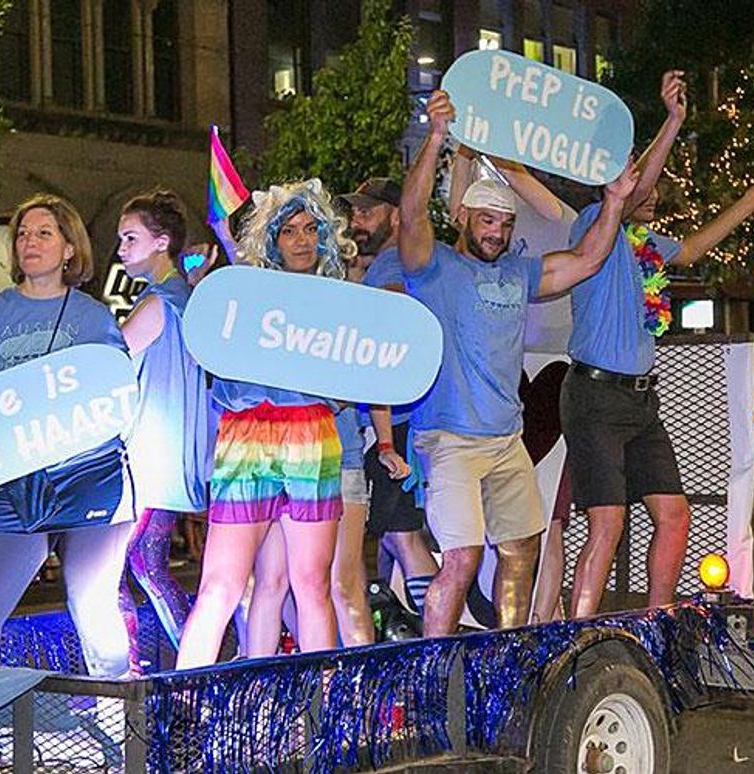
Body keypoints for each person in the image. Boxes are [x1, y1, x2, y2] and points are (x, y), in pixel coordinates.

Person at [398, 90, 639, 636]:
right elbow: (411, 216)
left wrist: (617, 200)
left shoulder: (517, 273)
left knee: (522, 548)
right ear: (464, 218)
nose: (496, 233)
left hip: (506, 441)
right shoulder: (434, 269)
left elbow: (586, 259)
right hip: (451, 441)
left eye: (504, 225)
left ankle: (509, 653)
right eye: (486, 221)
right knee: (459, 560)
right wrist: (437, 140)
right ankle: (437, 669)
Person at [565, 172, 754, 617]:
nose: (655, 196)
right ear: (617, 189)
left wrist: (745, 200)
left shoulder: (645, 245)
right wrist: (674, 120)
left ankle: (656, 624)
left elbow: (691, 249)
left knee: (676, 517)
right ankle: (577, 637)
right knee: (608, 524)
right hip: (595, 394)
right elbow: (624, 197)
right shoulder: (594, 226)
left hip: (641, 400)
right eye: (646, 187)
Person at [0, 193, 136, 678]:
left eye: (44, 233)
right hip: (12, 486)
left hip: (88, 480)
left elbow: (118, 399)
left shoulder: (95, 319)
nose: (30, 242)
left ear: (70, 248)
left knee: (94, 604)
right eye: (23, 234)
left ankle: (118, 721)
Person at [176, 179, 352, 667]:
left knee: (309, 585)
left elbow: (354, 383)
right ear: (271, 240)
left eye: (310, 229)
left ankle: (322, 711)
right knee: (221, 585)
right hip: (247, 437)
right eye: (288, 230)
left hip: (310, 435)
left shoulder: (342, 304)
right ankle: (179, 715)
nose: (300, 240)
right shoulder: (243, 296)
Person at [113, 190, 208, 659]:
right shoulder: (182, 296)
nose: (121, 249)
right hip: (167, 456)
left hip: (150, 460)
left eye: (131, 237)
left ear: (161, 242)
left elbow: (108, 367)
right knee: (147, 564)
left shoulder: (159, 303)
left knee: (113, 569)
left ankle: (134, 668)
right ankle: (198, 663)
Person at [339, 177, 439, 618]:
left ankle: (431, 633)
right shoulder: (384, 264)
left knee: (392, 538)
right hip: (393, 422)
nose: (358, 221)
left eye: (368, 212)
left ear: (396, 216)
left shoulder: (393, 266)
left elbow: (395, 314)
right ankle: (427, 631)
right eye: (355, 213)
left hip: (391, 426)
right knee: (395, 538)